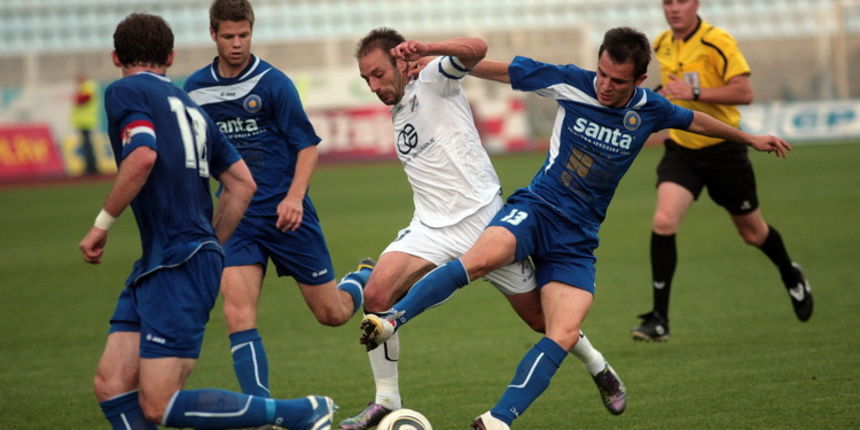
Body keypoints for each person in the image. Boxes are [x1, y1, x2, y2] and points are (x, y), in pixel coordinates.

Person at [359, 27, 792, 429]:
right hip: (536, 210)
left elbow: (693, 120)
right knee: (478, 259)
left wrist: (750, 138)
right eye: (601, 73)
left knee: (558, 331)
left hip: (578, 238)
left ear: (639, 80)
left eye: (617, 81)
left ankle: (500, 419)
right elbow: (506, 71)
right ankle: (394, 320)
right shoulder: (572, 81)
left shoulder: (649, 109)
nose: (604, 85)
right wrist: (444, 60)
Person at [341, 28, 627, 430]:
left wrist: (429, 48)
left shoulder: (434, 77)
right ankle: (386, 400)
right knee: (376, 294)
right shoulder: (398, 106)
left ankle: (598, 365)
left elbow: (476, 49)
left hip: (488, 226)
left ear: (401, 62)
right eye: (366, 79)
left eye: (378, 74)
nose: (373, 86)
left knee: (546, 323)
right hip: (430, 228)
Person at [79, 12, 335, 429]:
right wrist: (213, 244)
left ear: (115, 57)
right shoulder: (190, 104)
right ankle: (289, 409)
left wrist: (101, 225)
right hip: (161, 261)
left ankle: (302, 412)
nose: (236, 42)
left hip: (177, 260)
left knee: (157, 403)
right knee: (111, 385)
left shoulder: (125, 90)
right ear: (170, 56)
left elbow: (142, 154)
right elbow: (242, 183)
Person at [184, 0, 372, 400]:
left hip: (288, 213)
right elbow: (197, 157)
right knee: (237, 314)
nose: (237, 43)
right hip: (237, 218)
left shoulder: (273, 83)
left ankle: (361, 278)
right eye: (229, 36)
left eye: (244, 35)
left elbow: (307, 146)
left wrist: (294, 199)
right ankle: (262, 412)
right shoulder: (195, 91)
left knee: (332, 314)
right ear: (213, 34)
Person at [631, 0, 813, 342]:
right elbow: (671, 92)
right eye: (667, 2)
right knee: (664, 221)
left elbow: (745, 92)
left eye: (681, 1)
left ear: (696, 4)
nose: (673, 9)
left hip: (724, 151)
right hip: (682, 149)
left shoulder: (717, 41)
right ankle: (659, 319)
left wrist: (694, 91)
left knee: (753, 233)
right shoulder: (662, 43)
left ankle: (790, 273)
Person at [71, 74, 100, 175]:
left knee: (88, 145)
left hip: (87, 121)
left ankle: (91, 167)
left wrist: (77, 96)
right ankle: (90, 166)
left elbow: (83, 99)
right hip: (83, 122)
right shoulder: (84, 87)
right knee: (86, 145)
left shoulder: (88, 86)